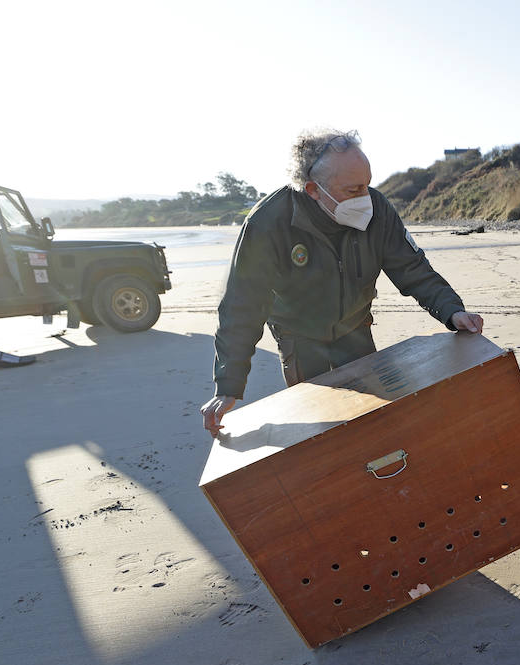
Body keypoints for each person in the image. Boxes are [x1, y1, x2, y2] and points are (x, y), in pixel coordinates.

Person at [201, 129, 484, 436]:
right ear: (313, 189)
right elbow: (242, 306)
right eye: (353, 190)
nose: (365, 197)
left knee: (374, 418)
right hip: (299, 337)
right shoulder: (268, 223)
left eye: (368, 185)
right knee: (321, 428)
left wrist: (452, 311)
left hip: (355, 327)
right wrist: (228, 385)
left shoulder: (378, 210)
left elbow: (412, 268)